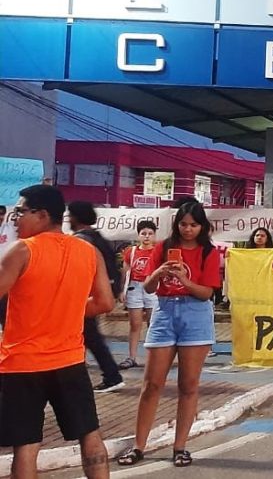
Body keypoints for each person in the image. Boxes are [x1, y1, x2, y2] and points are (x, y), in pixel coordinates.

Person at [0, 185, 116, 479]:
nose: (16, 219)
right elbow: (105, 302)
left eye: (20, 212)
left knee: (26, 446)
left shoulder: (23, 250)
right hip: (70, 360)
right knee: (89, 434)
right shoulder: (87, 251)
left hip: (22, 363)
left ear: (42, 215)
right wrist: (70, 307)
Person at [117, 200, 221, 468]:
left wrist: (184, 281)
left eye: (193, 225)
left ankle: (180, 446)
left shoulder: (208, 251)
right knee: (151, 384)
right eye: (183, 224)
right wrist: (160, 272)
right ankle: (139, 445)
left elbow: (207, 293)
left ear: (202, 226)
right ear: (176, 224)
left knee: (188, 385)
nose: (188, 230)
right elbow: (149, 287)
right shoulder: (163, 247)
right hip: (164, 312)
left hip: (195, 315)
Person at [68, 201, 127, 393]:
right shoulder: (98, 237)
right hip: (99, 294)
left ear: (76, 217)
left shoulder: (81, 241)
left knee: (89, 337)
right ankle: (106, 375)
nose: (68, 219)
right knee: (89, 337)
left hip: (86, 296)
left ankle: (111, 376)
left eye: (70, 215)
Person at [120, 220, 159, 370]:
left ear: (154, 236)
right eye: (143, 233)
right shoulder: (131, 251)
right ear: (138, 235)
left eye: (150, 234)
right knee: (135, 324)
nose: (147, 237)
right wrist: (121, 291)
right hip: (134, 288)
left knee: (153, 324)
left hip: (152, 287)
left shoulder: (157, 252)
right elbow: (125, 271)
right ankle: (132, 357)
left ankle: (154, 357)